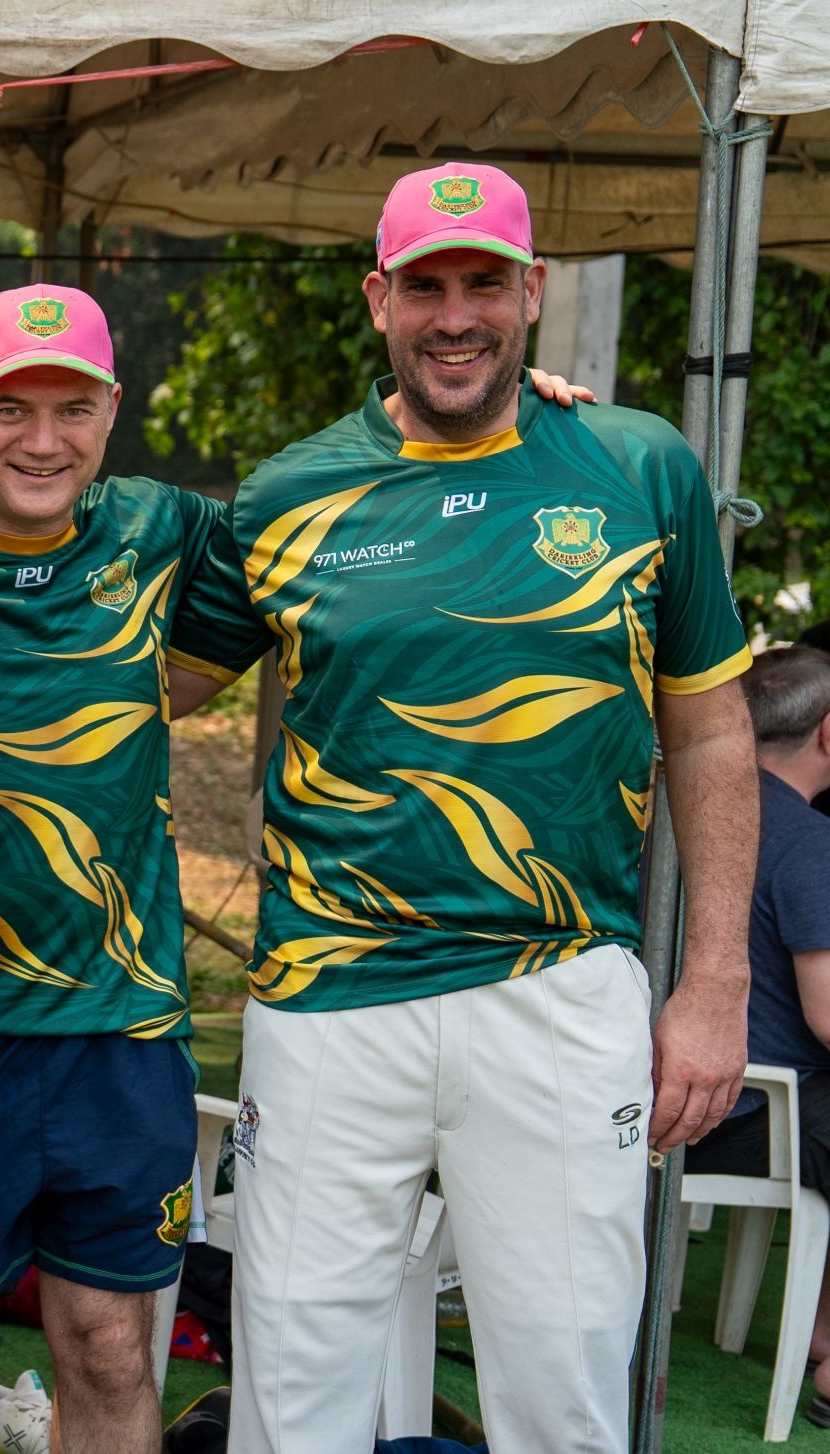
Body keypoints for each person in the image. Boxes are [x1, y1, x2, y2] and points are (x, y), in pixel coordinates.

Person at [205, 162, 757, 1454]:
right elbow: (147, 675)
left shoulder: (637, 463)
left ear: (532, 292)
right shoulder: (286, 492)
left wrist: (715, 978)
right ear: (378, 299)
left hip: (559, 989)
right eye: (426, 286)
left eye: (483, 284)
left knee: (564, 1400)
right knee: (293, 1399)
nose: (455, 316)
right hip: (329, 994)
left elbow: (713, 726)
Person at [0, 284, 273, 1452]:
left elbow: (349, 508)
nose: (43, 440)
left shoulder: (162, 527)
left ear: (112, 410)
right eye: (12, 407)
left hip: (120, 1025)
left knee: (110, 1342)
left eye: (72, 409)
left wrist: (520, 407)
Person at [689, 644, 830, 1423]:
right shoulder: (808, 841)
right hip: (743, 1110)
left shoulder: (672, 813)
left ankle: (821, 1331)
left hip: (649, 1094)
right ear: (827, 734)